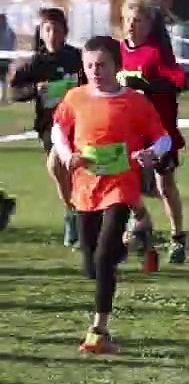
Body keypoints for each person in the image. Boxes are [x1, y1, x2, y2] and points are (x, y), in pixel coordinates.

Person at [51, 35, 172, 354]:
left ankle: (98, 331)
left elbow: (164, 138)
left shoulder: (133, 101)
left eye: (102, 65)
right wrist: (66, 155)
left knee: (104, 258)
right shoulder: (75, 97)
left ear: (117, 67)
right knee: (92, 265)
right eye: (89, 65)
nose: (95, 71)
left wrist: (151, 153)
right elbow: (58, 130)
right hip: (85, 188)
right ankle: (139, 231)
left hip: (121, 187)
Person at [119, 0, 188, 266]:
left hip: (159, 131)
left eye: (137, 21)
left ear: (149, 24)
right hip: (128, 133)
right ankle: (134, 233)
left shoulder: (156, 52)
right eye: (127, 21)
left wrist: (149, 84)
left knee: (164, 184)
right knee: (124, 182)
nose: (131, 27)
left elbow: (180, 80)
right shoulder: (118, 53)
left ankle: (178, 236)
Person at [9, 7, 84, 245]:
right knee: (57, 166)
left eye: (57, 29)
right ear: (41, 33)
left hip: (81, 123)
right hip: (49, 127)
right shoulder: (35, 63)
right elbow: (14, 92)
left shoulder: (77, 57)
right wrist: (34, 90)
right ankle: (73, 213)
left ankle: (84, 215)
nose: (52, 34)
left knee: (75, 169)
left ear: (65, 32)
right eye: (47, 29)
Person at [0, 12, 15, 104]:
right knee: (3, 78)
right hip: (6, 58)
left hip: (4, 59)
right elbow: (13, 43)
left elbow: (12, 44)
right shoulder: (10, 31)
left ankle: (4, 97)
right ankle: (4, 97)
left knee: (3, 78)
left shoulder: (8, 31)